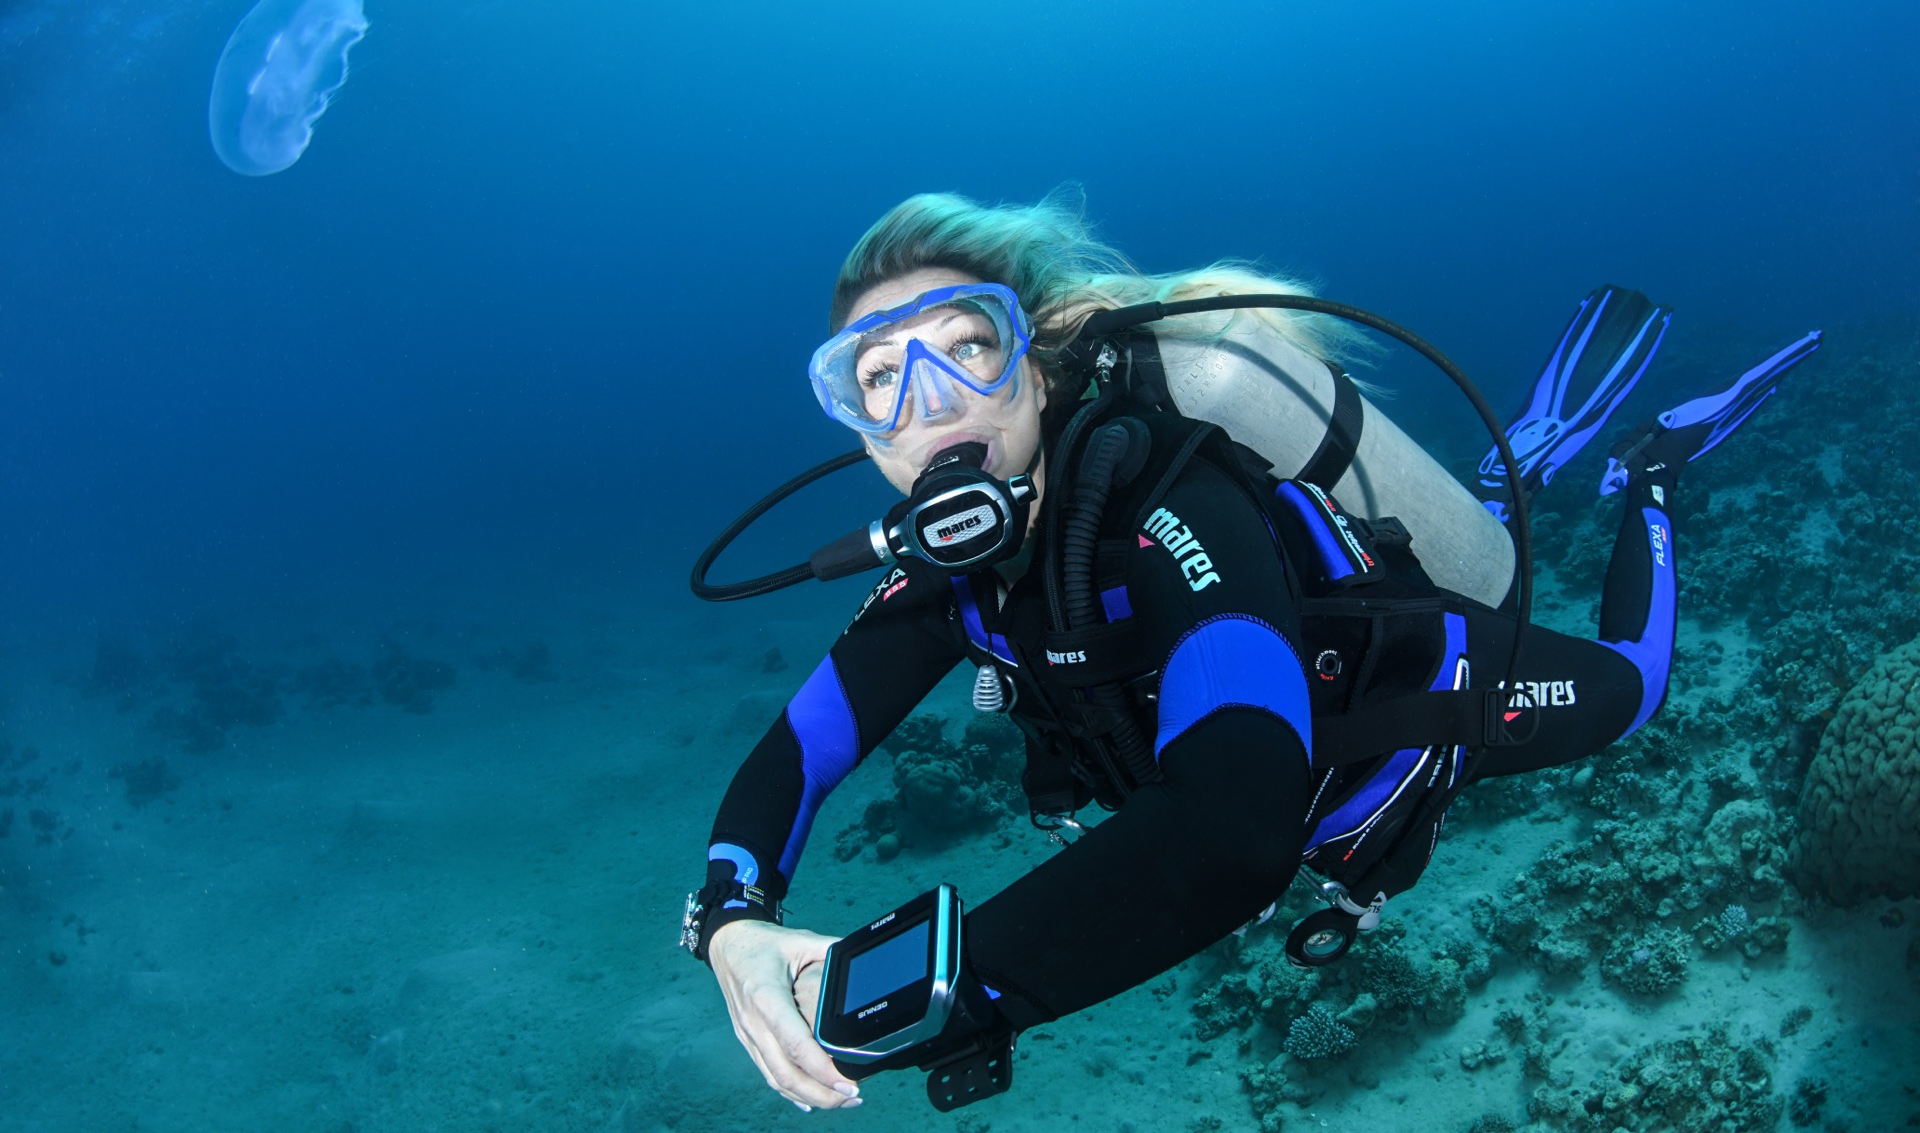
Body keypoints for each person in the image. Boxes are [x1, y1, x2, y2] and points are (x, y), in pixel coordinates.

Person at [680, 191, 1821, 1113]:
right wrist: (733, 920)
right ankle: (1509, 462)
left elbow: (1232, 830)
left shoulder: (1166, 495)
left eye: (966, 347)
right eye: (875, 378)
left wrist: (954, 997)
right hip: (1303, 764)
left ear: (1034, 364)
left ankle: (1650, 470)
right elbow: (800, 746)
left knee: (1635, 688)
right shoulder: (941, 570)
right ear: (860, 427)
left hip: (1410, 702)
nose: (927, 400)